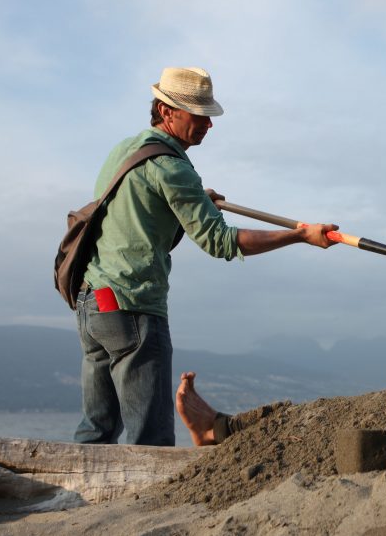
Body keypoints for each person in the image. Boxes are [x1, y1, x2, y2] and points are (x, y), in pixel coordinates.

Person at [75, 67, 338, 446]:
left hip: (94, 304)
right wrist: (299, 236)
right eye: (198, 116)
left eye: (209, 117)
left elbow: (138, 224)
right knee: (151, 441)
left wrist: (191, 205)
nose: (207, 126)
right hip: (133, 307)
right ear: (167, 111)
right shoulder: (173, 167)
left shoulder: (125, 151)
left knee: (95, 433)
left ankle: (77, 504)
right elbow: (221, 242)